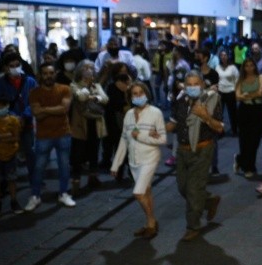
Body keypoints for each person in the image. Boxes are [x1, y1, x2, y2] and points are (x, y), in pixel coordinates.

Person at [165, 71, 223, 242]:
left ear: (202, 85)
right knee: (183, 187)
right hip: (182, 150)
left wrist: (205, 116)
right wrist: (157, 131)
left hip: (202, 149)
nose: (192, 87)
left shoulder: (211, 99)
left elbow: (219, 127)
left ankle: (193, 226)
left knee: (193, 189)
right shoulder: (180, 100)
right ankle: (209, 200)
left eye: (195, 84)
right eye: (188, 84)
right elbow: (174, 123)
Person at [111, 82, 166, 240]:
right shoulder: (128, 114)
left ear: (147, 94)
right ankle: (150, 224)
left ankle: (151, 222)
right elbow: (123, 139)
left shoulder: (155, 113)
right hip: (134, 160)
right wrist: (116, 164)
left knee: (138, 193)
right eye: (134, 94)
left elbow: (162, 139)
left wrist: (141, 136)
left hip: (150, 157)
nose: (138, 96)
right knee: (146, 191)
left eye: (141, 93)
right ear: (130, 97)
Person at [26, 63, 75, 211]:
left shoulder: (65, 89)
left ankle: (63, 193)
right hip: (43, 136)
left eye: (51, 73)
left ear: (55, 73)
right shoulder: (34, 92)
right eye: (45, 73)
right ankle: (35, 196)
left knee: (64, 166)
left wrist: (44, 109)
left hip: (63, 133)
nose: (49, 76)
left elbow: (64, 109)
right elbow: (36, 114)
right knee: (39, 167)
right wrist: (54, 109)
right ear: (40, 75)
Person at [0, 52, 37, 184]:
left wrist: (24, 115)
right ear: (6, 68)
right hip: (8, 124)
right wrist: (14, 117)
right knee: (9, 153)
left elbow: (35, 101)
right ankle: (8, 181)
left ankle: (34, 178)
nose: (15, 68)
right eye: (11, 66)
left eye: (17, 65)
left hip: (27, 122)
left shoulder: (30, 81)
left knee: (30, 151)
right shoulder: (0, 84)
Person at [69, 63, 108, 191]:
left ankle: (93, 177)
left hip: (95, 124)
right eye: (85, 68)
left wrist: (94, 97)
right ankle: (76, 180)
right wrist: (89, 91)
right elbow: (80, 97)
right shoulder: (74, 85)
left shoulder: (96, 85)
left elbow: (105, 99)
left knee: (94, 151)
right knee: (78, 154)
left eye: (91, 68)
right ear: (79, 70)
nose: (88, 71)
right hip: (80, 124)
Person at [234, 59, 262, 178]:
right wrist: (245, 96)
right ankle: (248, 166)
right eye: (246, 66)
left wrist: (246, 95)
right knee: (244, 139)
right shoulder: (241, 79)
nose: (249, 68)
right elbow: (237, 97)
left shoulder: (260, 77)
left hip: (257, 110)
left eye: (251, 65)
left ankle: (241, 159)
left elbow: (260, 93)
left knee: (255, 140)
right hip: (244, 111)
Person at [215, 50, 239, 135]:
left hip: (231, 92)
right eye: (222, 55)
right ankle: (220, 131)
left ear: (228, 56)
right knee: (219, 113)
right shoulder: (217, 67)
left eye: (225, 55)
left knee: (232, 113)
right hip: (220, 92)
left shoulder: (232, 67)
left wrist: (236, 91)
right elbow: (216, 79)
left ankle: (234, 130)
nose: (223, 57)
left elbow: (237, 79)